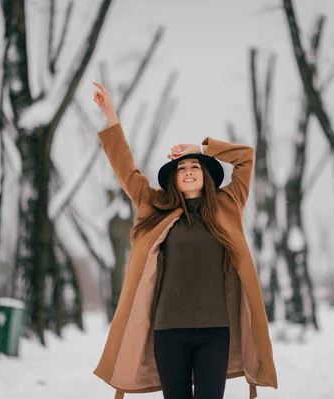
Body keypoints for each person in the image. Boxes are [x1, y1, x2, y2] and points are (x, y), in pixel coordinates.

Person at [91, 82, 277, 399]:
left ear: (205, 176)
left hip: (215, 332)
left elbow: (246, 158)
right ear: (174, 179)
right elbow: (126, 170)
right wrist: (111, 116)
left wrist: (201, 149)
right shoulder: (155, 207)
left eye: (194, 167)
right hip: (168, 331)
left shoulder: (228, 205)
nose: (188, 171)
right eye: (182, 168)